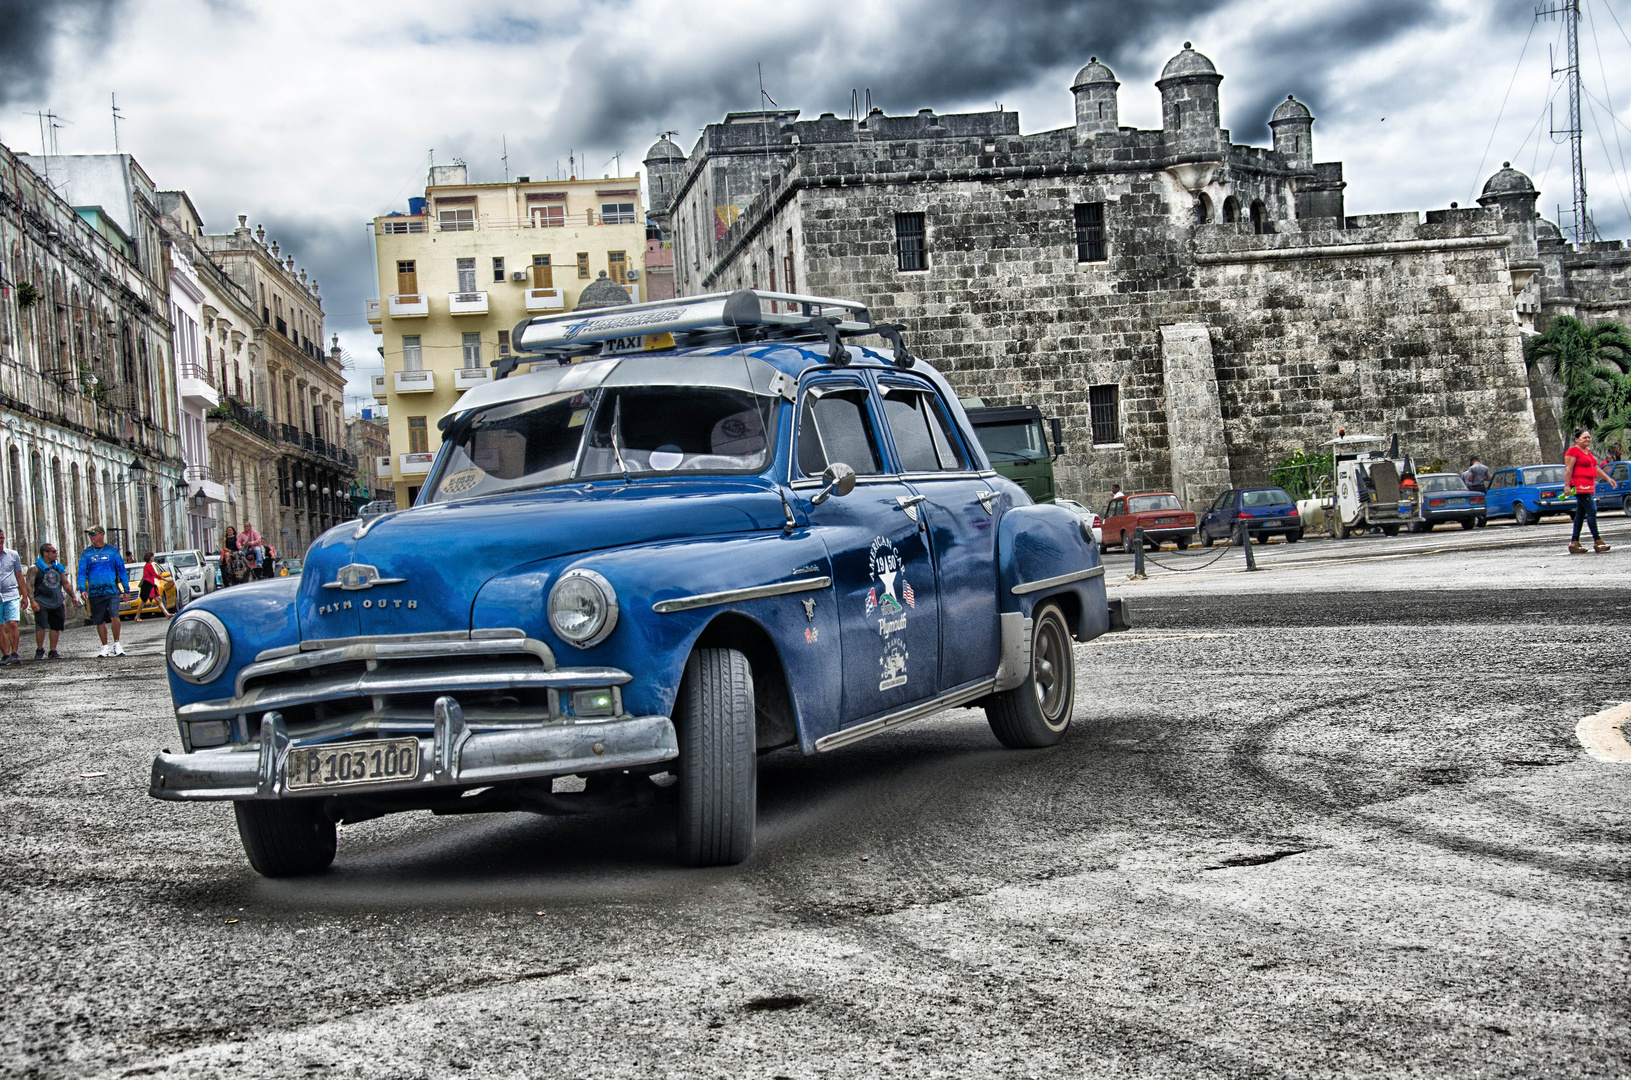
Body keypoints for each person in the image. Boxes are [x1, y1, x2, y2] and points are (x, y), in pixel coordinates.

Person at [78, 526, 129, 657]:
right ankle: (104, 646)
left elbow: (121, 570)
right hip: (95, 592)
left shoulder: (112, 551)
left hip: (111, 590)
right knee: (99, 619)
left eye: (93, 534)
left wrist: (125, 589)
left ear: (101, 535)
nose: (91, 537)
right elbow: (82, 572)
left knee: (114, 616)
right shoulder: (87, 553)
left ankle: (117, 643)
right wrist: (82, 589)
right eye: (89, 535)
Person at [1563, 427, 1615, 554]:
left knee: (1580, 514)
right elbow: (1569, 469)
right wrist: (1567, 486)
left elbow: (1595, 467)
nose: (1588, 439)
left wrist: (1608, 478)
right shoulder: (1573, 451)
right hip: (1579, 486)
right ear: (1577, 440)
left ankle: (1574, 543)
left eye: (1589, 437)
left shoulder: (1587, 452)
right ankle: (1598, 541)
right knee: (1592, 509)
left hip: (1588, 486)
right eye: (1584, 437)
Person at [28, 543, 78, 659]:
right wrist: (32, 601)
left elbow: (65, 583)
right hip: (41, 601)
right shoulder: (35, 568)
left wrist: (73, 596)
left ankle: (53, 650)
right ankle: (40, 649)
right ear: (45, 553)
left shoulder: (58, 567)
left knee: (55, 626)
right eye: (53, 551)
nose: (56, 554)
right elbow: (29, 585)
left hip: (56, 600)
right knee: (41, 626)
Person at [0, 528, 30, 667]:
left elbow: (19, 575)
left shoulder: (12, 555)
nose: (0, 541)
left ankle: (15, 652)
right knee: (0, 626)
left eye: (2, 538)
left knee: (12, 623)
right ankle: (5, 654)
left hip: (11, 593)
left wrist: (25, 595)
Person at [135, 551, 173, 621]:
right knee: (143, 601)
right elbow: (155, 574)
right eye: (152, 556)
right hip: (148, 585)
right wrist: (166, 580)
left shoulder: (148, 565)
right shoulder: (148, 565)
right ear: (150, 558)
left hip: (151, 585)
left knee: (158, 600)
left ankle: (167, 614)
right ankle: (137, 616)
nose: (153, 557)